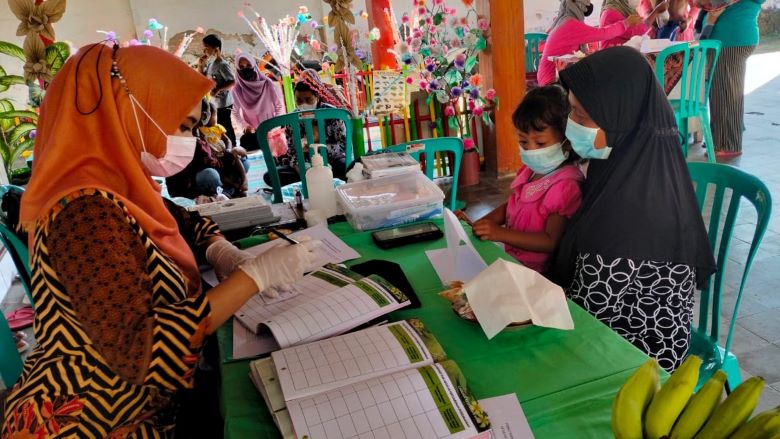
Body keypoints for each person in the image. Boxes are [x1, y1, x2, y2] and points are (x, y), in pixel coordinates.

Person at [1, 43, 320, 436]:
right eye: (182, 125)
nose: (188, 139)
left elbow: (185, 221)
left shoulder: (122, 187)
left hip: (149, 406)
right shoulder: (83, 214)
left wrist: (221, 251)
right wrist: (254, 278)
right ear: (129, 109)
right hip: (92, 420)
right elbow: (141, 349)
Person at [550, 47, 716, 372]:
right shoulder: (627, 164)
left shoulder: (632, 212)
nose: (571, 125)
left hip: (636, 364)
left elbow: (589, 313)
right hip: (605, 337)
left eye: (581, 116)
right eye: (571, 112)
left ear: (620, 117)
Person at [455, 86, 584, 274]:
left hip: (536, 275)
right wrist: (478, 225)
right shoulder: (530, 171)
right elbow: (512, 205)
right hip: (513, 261)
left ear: (567, 140)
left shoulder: (566, 186)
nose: (531, 149)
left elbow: (550, 241)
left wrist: (500, 233)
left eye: (540, 143)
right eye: (523, 142)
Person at [698, 0, 765, 158]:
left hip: (731, 40)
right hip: (727, 40)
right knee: (722, 92)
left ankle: (728, 144)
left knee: (726, 94)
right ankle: (720, 140)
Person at [263, 69, 349, 186]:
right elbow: (292, 151)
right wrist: (300, 167)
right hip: (304, 164)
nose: (303, 104)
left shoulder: (332, 114)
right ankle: (310, 180)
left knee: (346, 167)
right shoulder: (292, 119)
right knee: (271, 175)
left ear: (317, 96)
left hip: (332, 161)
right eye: (299, 100)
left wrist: (317, 148)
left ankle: (319, 179)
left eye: (308, 100)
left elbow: (343, 145)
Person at [537, 0, 642, 86]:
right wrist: (626, 23)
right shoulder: (569, 24)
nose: (588, 4)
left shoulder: (567, 21)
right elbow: (603, 33)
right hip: (551, 81)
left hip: (560, 75)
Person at [166, 100, 248, 200]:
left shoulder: (199, 131)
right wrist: (230, 155)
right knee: (210, 174)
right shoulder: (188, 137)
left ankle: (229, 189)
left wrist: (232, 153)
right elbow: (210, 162)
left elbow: (215, 156)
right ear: (202, 115)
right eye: (207, 114)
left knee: (243, 162)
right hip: (187, 185)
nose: (208, 117)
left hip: (205, 169)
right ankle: (228, 190)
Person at [231, 53, 285, 152]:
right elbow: (235, 111)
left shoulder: (267, 84)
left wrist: (273, 126)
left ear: (254, 65)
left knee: (275, 156)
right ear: (238, 70)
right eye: (241, 67)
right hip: (253, 134)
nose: (245, 69)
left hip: (272, 131)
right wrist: (244, 127)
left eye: (248, 65)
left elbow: (279, 106)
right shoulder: (237, 89)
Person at [199, 34, 236, 145]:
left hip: (224, 102)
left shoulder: (222, 65)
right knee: (219, 125)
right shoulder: (211, 64)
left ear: (216, 49)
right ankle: (225, 146)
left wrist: (218, 89)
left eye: (206, 48)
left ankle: (232, 145)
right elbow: (203, 78)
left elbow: (232, 81)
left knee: (225, 125)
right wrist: (200, 65)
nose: (204, 51)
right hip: (215, 102)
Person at [600, 0, 670, 48]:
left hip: (623, 54)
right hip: (612, 58)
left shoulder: (625, 10)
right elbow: (637, 32)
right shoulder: (610, 13)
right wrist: (656, 11)